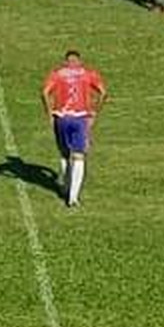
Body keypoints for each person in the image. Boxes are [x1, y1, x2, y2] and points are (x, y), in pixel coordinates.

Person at [40, 48, 108, 209]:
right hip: (80, 119)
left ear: (65, 62)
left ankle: (65, 185)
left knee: (64, 153)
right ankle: (73, 197)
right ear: (79, 61)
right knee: (79, 156)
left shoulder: (57, 74)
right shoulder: (88, 74)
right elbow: (103, 93)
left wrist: (49, 113)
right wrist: (94, 113)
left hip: (61, 118)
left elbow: (44, 93)